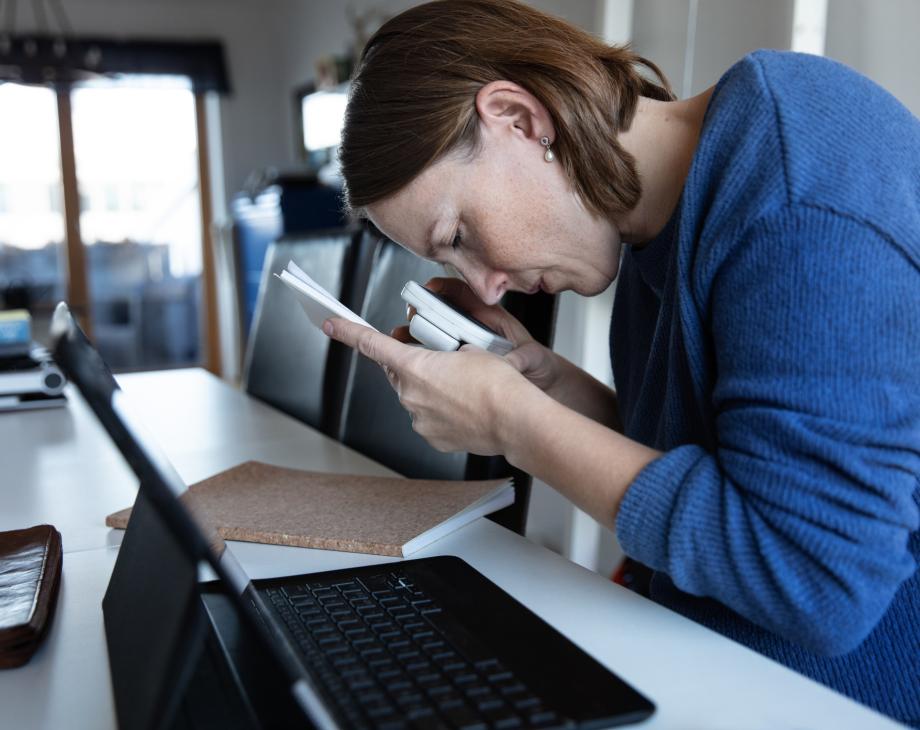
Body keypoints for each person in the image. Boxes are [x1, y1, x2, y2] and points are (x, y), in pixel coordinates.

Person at [322, 0, 920, 724]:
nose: (481, 281)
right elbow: (707, 463)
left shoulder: (796, 201)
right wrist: (540, 381)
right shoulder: (658, 212)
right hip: (704, 661)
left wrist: (515, 424)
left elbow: (819, 579)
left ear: (519, 119)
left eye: (460, 232)